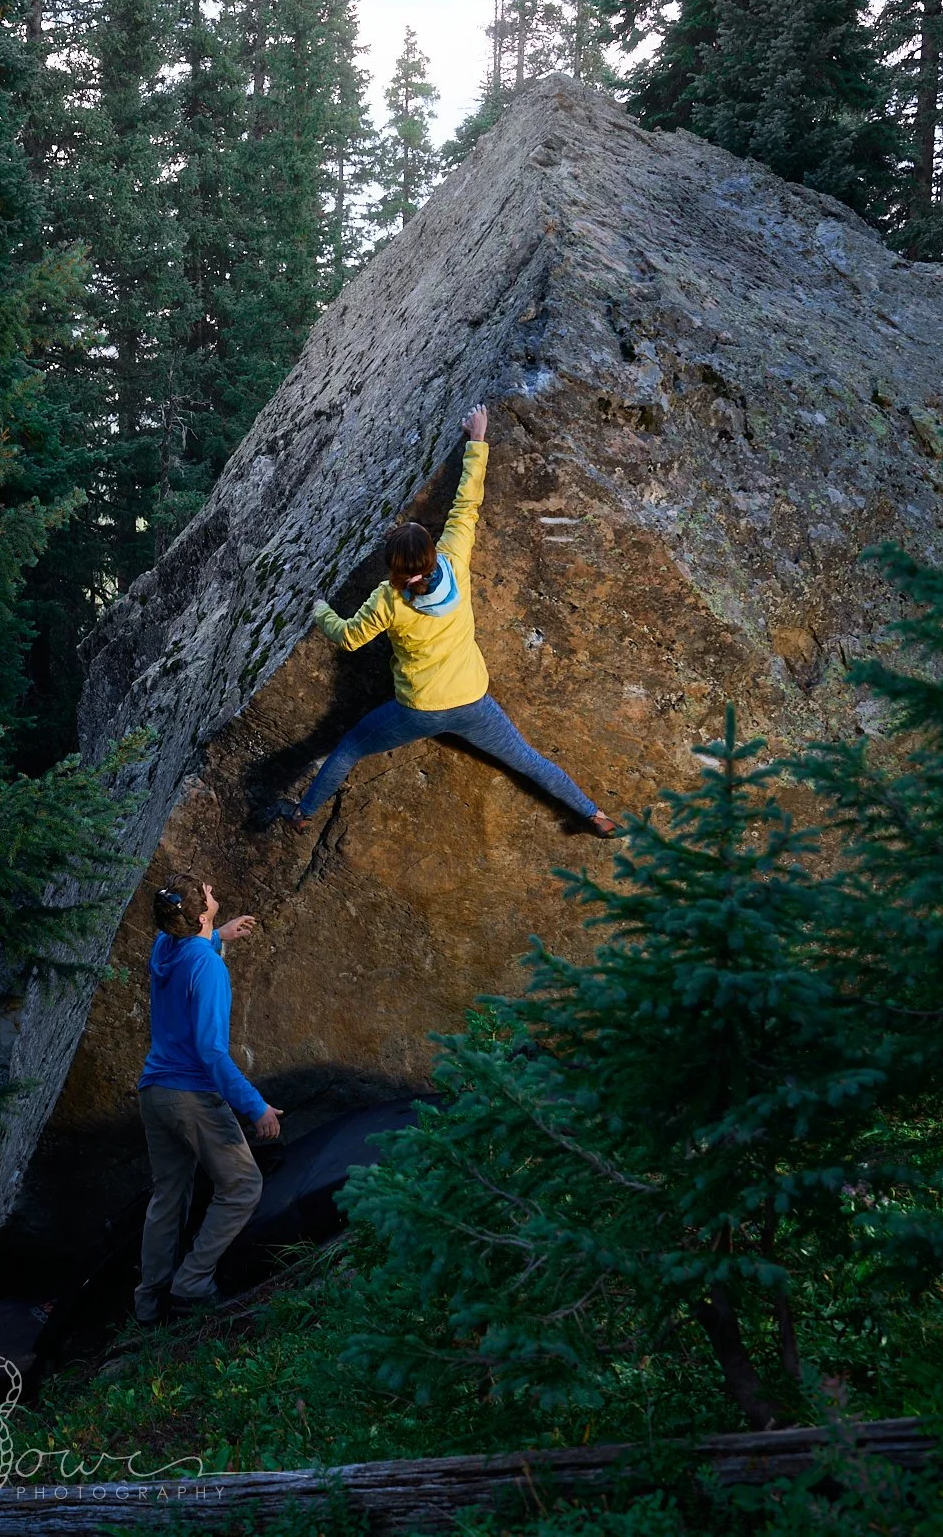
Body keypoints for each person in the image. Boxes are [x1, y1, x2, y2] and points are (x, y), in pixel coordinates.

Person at [269, 403, 616, 836]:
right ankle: (593, 814)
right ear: (431, 554)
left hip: (420, 710)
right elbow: (466, 504)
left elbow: (348, 638)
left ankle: (302, 813)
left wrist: (318, 608)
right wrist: (478, 440)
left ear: (394, 568)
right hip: (474, 701)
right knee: (528, 760)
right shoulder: (454, 560)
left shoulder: (389, 600)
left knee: (350, 747)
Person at [135, 876, 280, 1325]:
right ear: (200, 913)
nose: (215, 896)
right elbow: (212, 1051)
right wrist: (255, 1107)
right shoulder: (210, 969)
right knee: (242, 1186)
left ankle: (148, 1301)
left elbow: (187, 948)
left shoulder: (164, 946)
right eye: (210, 896)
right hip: (192, 1096)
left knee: (169, 1193)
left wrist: (217, 935)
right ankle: (193, 1283)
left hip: (154, 1091)